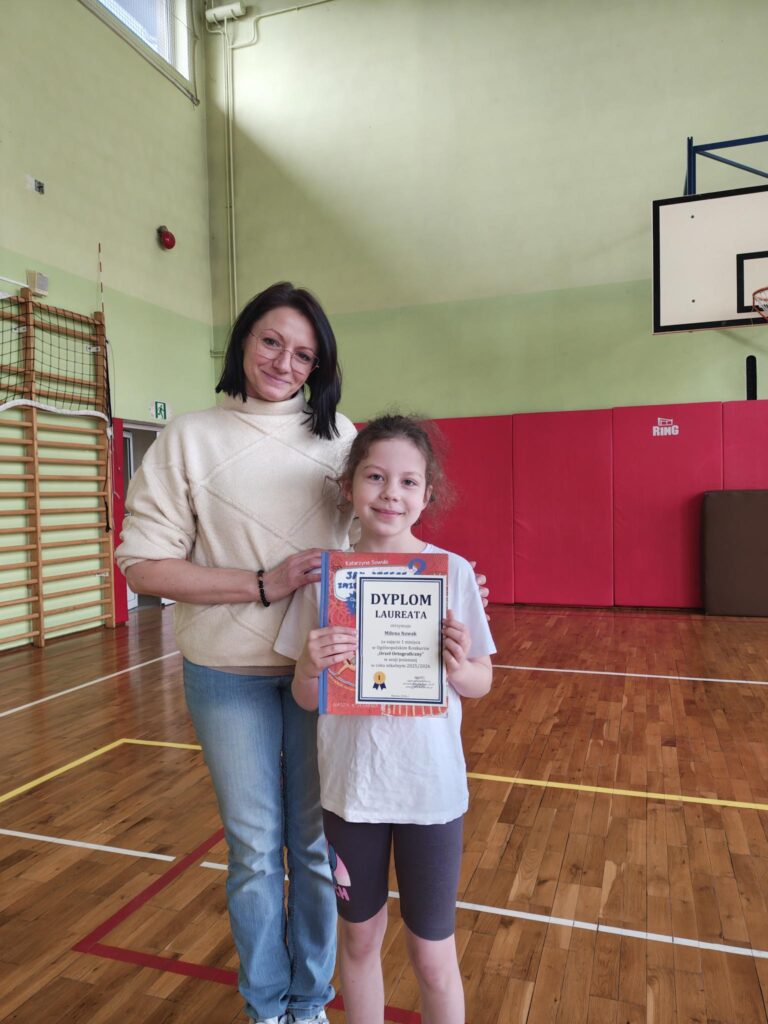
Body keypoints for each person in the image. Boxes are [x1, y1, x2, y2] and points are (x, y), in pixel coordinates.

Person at [115, 282, 358, 1024]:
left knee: (313, 848)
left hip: (320, 673)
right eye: (272, 342)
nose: (285, 362)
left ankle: (309, 1003)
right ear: (244, 340)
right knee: (254, 851)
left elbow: (380, 540)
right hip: (225, 675)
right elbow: (143, 566)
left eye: (304, 354)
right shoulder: (189, 437)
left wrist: (446, 581)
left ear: (319, 366)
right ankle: (266, 1006)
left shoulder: (341, 438)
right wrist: (262, 583)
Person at [274, 414, 495, 1024]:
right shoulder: (326, 580)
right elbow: (306, 698)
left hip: (431, 793)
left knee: (433, 956)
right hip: (353, 792)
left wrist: (458, 668)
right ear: (349, 485)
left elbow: (482, 680)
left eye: (407, 482)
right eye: (374, 477)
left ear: (428, 494)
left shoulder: (452, 572)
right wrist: (308, 667)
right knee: (360, 941)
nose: (390, 493)